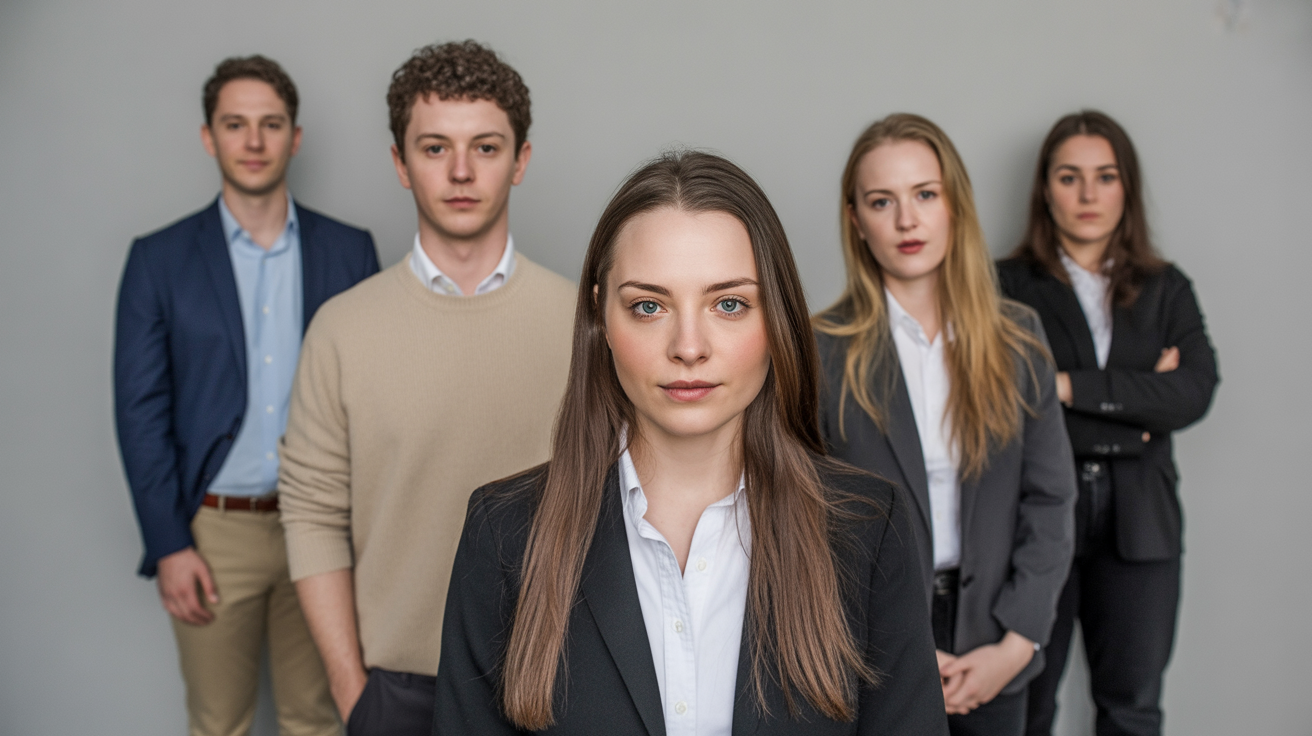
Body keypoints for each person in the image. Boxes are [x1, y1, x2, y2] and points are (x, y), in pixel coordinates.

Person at [434, 150, 948, 735]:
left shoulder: (865, 527)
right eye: (648, 306)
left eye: (728, 304)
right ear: (602, 316)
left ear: (775, 316)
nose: (688, 346)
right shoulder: (504, 532)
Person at [277, 40, 575, 735]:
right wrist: (353, 690)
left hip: (554, 680)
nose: (462, 171)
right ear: (400, 163)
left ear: (521, 161)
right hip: (397, 695)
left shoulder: (583, 325)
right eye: (436, 147)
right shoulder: (342, 329)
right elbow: (313, 515)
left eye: (487, 147)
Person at [113, 55, 379, 736]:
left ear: (296, 136)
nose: (254, 142)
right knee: (218, 724)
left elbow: (375, 401)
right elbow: (139, 412)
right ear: (210, 137)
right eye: (236, 125)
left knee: (318, 720)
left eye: (270, 124)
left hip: (319, 524)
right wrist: (170, 543)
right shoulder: (159, 259)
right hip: (214, 531)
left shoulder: (350, 252)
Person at [813, 114, 1077, 736]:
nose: (907, 220)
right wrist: (892, 646)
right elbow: (807, 515)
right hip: (872, 640)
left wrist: (1016, 647)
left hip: (996, 637)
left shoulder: (1019, 338)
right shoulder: (821, 350)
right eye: (883, 201)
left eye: (925, 195)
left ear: (955, 204)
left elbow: (1051, 497)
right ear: (856, 220)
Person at [996, 110, 1219, 736]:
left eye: (1105, 176)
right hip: (1034, 518)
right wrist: (1139, 408)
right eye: (1070, 177)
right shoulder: (1004, 286)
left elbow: (1194, 391)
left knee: (1132, 708)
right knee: (1026, 705)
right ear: (1045, 188)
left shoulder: (1165, 287)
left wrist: (1064, 386)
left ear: (1128, 187)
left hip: (1140, 522)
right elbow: (998, 397)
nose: (1089, 194)